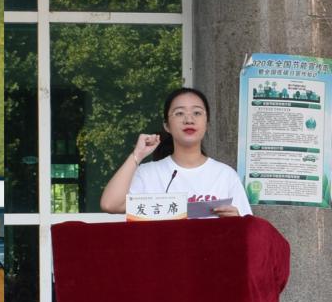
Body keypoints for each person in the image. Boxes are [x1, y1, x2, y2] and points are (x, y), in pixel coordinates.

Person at [100, 87, 251, 217]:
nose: (189, 119)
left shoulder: (225, 175)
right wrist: (137, 155)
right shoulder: (148, 174)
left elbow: (248, 228)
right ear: (167, 126)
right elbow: (110, 204)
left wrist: (237, 219)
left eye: (197, 113)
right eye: (179, 113)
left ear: (207, 124)